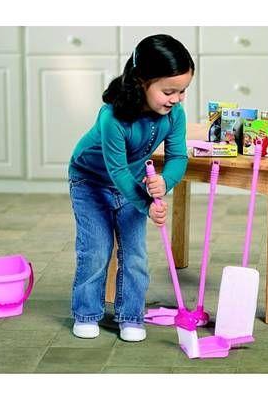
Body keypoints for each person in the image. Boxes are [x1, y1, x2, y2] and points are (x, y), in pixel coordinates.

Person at [68, 34, 194, 342]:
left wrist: (166, 181)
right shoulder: (112, 117)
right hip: (91, 182)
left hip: (132, 184)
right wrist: (148, 205)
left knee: (136, 255)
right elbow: (117, 171)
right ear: (141, 81)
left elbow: (178, 156)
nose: (176, 98)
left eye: (183, 91)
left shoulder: (174, 114)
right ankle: (86, 313)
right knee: (96, 251)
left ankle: (130, 316)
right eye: (169, 91)